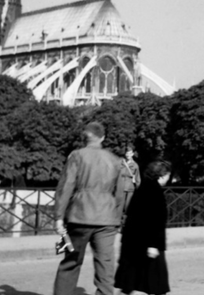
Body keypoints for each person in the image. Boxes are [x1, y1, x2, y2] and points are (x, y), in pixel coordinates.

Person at [53, 122, 124, 295]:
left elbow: (66, 187)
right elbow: (120, 193)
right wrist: (117, 217)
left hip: (80, 215)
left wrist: (59, 216)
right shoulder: (115, 160)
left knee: (71, 262)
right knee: (105, 264)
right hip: (107, 218)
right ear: (103, 137)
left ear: (84, 138)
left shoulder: (77, 155)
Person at [115, 160, 172, 295]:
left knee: (130, 281)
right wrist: (153, 244)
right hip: (147, 243)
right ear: (162, 175)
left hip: (133, 242)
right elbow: (156, 220)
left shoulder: (142, 188)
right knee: (157, 282)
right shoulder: (155, 192)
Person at [120, 145, 141, 218]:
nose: (128, 155)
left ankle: (125, 223)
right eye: (127, 153)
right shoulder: (121, 163)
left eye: (130, 153)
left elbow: (138, 178)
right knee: (120, 206)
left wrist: (139, 189)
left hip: (130, 188)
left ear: (132, 154)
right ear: (125, 154)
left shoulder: (135, 165)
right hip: (121, 187)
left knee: (128, 207)